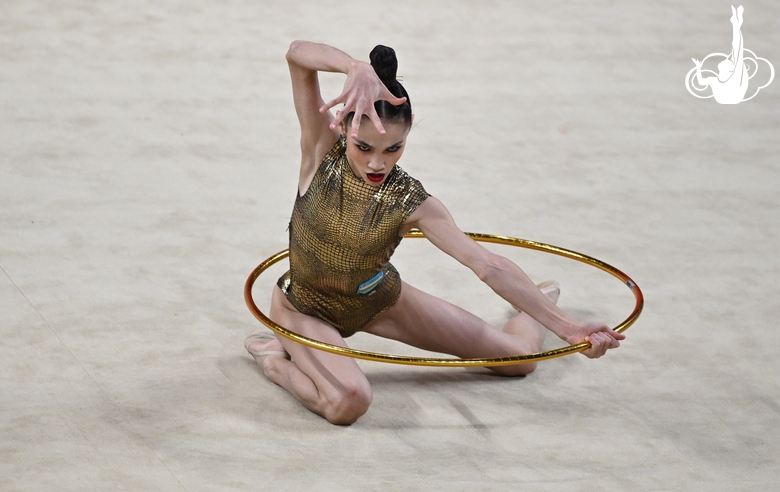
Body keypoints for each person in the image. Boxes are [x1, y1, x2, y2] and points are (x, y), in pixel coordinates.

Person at [245, 40, 625, 425]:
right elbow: (296, 55)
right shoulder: (320, 150)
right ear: (343, 126)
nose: (378, 162)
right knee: (349, 401)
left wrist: (567, 326)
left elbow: (488, 265)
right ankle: (275, 361)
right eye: (363, 146)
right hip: (303, 305)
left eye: (394, 148)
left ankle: (538, 304)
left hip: (377, 297)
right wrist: (351, 66)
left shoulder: (413, 202)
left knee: (519, 360)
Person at [692, 5, 748, 104]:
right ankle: (736, 23)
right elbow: (701, 82)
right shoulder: (717, 80)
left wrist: (698, 68)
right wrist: (698, 67)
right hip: (730, 97)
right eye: (729, 61)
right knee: (737, 52)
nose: (725, 59)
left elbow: (737, 49)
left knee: (737, 51)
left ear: (728, 69)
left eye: (727, 61)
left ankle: (736, 23)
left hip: (731, 97)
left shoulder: (731, 78)